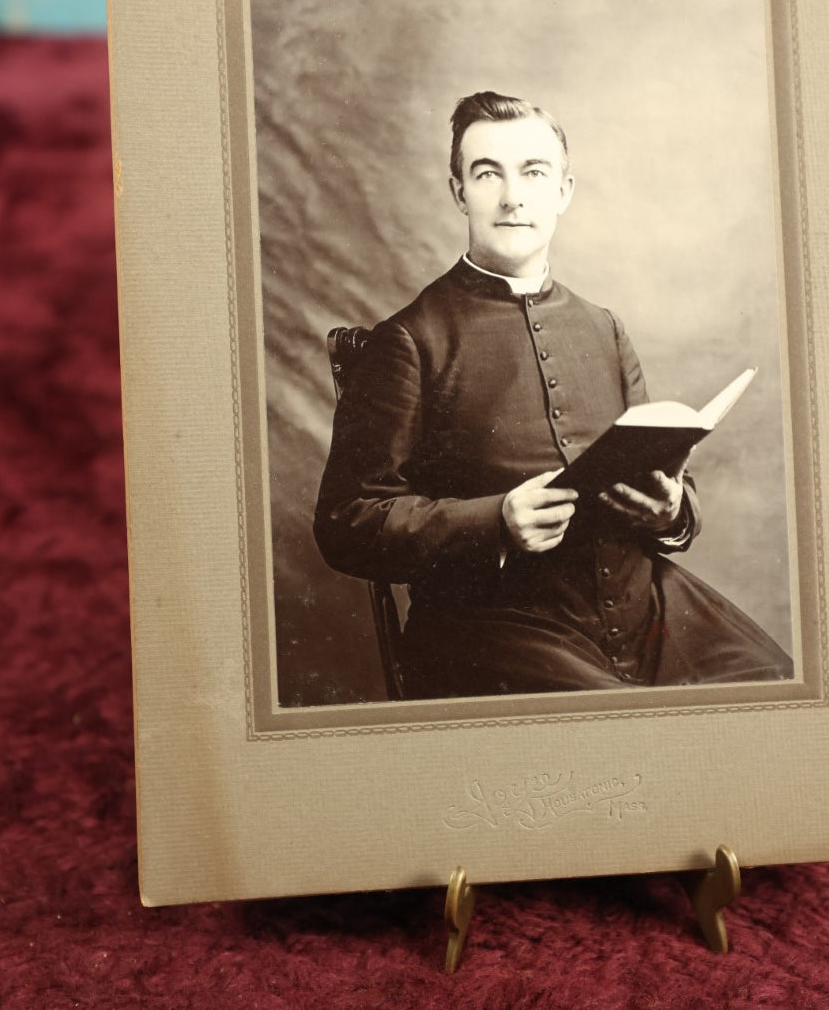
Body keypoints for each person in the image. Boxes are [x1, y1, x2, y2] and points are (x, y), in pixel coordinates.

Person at [314, 91, 791, 699]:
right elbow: (346, 522)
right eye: (488, 174)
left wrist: (669, 511)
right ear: (459, 191)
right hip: (499, 625)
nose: (513, 196)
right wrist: (494, 521)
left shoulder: (604, 327)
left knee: (770, 686)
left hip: (647, 608)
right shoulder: (410, 338)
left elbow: (672, 484)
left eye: (533, 172)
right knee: (621, 727)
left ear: (563, 190)